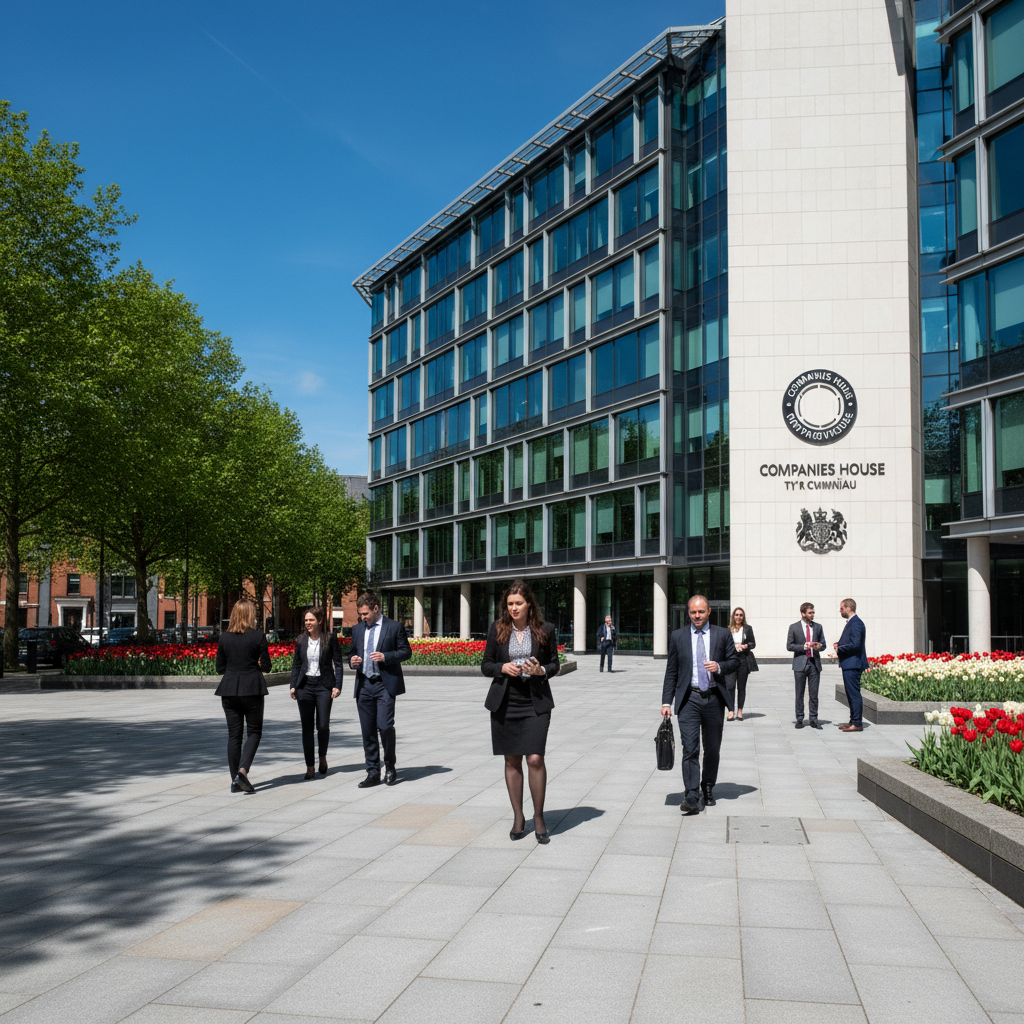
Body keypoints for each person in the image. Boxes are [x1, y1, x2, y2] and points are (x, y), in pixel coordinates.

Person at [482, 580, 560, 844]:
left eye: (519, 603)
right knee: (512, 760)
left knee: (535, 758)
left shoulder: (545, 629)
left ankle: (539, 817)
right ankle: (518, 817)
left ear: (529, 605)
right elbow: (486, 665)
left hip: (535, 701)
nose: (514, 608)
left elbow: (554, 664)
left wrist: (541, 671)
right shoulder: (497, 629)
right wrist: (503, 668)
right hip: (505, 702)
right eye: (510, 604)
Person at [661, 595, 738, 814]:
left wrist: (719, 666)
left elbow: (735, 661)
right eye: (693, 612)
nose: (697, 616)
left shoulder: (722, 634)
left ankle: (708, 786)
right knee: (690, 748)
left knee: (712, 748)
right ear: (688, 613)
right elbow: (671, 672)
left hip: (714, 698)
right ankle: (692, 794)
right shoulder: (678, 636)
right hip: (689, 699)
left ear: (709, 611)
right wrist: (667, 701)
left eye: (701, 612)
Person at [349, 591, 411, 787]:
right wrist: (352, 662)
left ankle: (390, 766)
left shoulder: (394, 627)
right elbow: (352, 654)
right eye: (360, 614)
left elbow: (406, 652)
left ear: (376, 609)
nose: (362, 617)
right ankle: (373, 772)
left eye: (365, 613)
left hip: (385, 684)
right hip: (364, 684)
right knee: (367, 730)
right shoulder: (358, 629)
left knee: (384, 726)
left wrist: (386, 657)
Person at [215, 599, 271, 794]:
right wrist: (255, 663)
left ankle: (234, 780)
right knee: (254, 732)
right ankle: (243, 771)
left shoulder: (224, 638)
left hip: (229, 689)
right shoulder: (257, 637)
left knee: (234, 736)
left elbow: (219, 668)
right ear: (250, 615)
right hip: (252, 688)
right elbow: (267, 666)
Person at [290, 607, 344, 780]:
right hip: (305, 686)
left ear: (319, 621)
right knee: (307, 728)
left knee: (322, 726)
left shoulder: (330, 638)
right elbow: (297, 665)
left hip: (324, 686)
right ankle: (310, 766)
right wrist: (293, 686)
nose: (307, 623)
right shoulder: (300, 640)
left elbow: (338, 663)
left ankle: (322, 757)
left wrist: (337, 685)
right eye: (306, 620)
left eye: (311, 620)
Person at [787, 602, 826, 729]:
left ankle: (814, 719)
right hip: (800, 664)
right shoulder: (794, 627)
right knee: (800, 693)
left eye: (813, 612)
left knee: (814, 694)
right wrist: (802, 647)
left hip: (814, 664)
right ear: (803, 613)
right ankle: (799, 718)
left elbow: (823, 644)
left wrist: (819, 647)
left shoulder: (818, 627)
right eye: (810, 612)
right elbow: (789, 646)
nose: (812, 614)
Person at [831, 598, 868, 732]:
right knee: (850, 693)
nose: (839, 611)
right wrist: (839, 646)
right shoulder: (852, 623)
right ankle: (853, 720)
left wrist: (839, 648)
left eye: (841, 608)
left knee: (854, 694)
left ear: (848, 608)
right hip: (849, 663)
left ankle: (857, 723)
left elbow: (855, 645)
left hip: (853, 664)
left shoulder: (856, 623)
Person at [724, 607, 757, 721]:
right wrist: (734, 646)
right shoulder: (728, 630)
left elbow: (753, 643)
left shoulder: (747, 628)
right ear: (733, 616)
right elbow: (724, 645)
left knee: (741, 687)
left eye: (741, 615)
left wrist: (745, 646)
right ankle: (730, 710)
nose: (738, 617)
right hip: (731, 660)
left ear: (743, 617)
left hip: (743, 660)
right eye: (736, 615)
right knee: (730, 686)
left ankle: (739, 711)